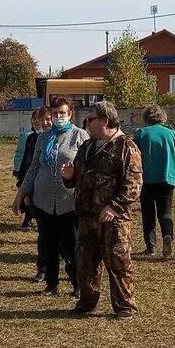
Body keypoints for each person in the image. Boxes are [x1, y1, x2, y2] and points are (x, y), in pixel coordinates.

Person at [61, 100, 143, 320]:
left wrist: (114, 207)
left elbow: (133, 184)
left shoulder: (126, 147)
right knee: (85, 263)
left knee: (118, 264)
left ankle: (125, 307)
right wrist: (69, 177)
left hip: (113, 219)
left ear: (105, 121)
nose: (86, 122)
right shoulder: (88, 146)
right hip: (86, 217)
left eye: (91, 118)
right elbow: (79, 177)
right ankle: (87, 302)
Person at [13, 96, 89, 297]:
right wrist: (22, 193)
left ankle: (77, 284)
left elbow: (89, 168)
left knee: (72, 245)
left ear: (70, 114)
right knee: (49, 244)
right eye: (55, 114)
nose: (58, 117)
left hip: (69, 200)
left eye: (62, 113)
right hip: (44, 200)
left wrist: (75, 174)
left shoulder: (80, 136)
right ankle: (52, 283)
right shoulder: (43, 137)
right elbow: (34, 167)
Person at [133, 104, 175, 258]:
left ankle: (150, 247)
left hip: (146, 180)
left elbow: (133, 157)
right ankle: (167, 235)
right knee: (165, 212)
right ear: (162, 117)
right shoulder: (173, 134)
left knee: (148, 214)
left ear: (146, 117)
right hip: (167, 178)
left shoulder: (141, 134)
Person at [16, 107, 52, 281]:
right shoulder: (34, 140)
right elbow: (29, 167)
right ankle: (43, 269)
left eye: (48, 119)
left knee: (68, 237)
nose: (45, 123)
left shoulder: (76, 137)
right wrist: (25, 192)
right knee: (44, 235)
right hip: (40, 194)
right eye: (41, 119)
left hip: (65, 197)